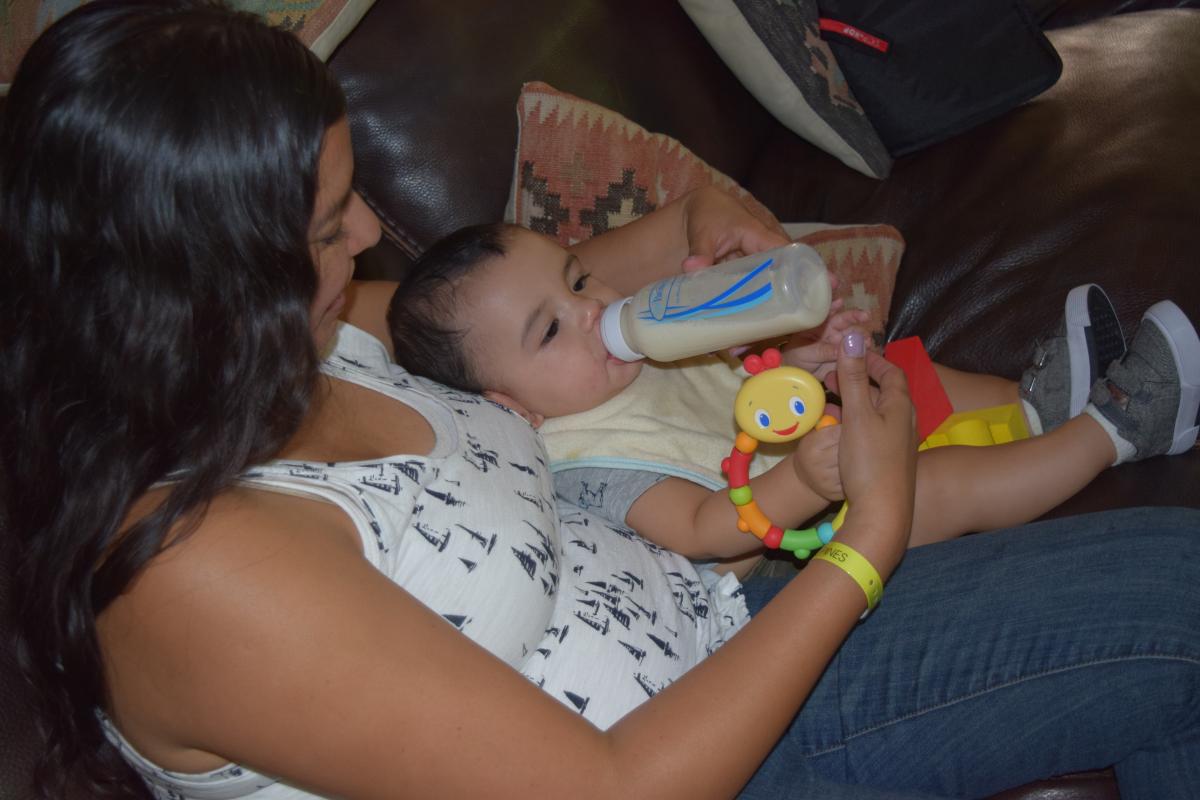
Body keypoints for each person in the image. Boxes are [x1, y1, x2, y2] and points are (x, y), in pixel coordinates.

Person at [3, 3, 1200, 800]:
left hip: (727, 615)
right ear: (199, 288)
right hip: (693, 756)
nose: (368, 232)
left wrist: (694, 228)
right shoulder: (191, 573)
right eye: (327, 226)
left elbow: (525, 307)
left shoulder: (316, 342)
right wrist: (867, 536)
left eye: (351, 193)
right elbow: (611, 786)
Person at [385, 222, 1200, 574]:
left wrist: (811, 357)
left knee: (895, 368)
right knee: (930, 487)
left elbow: (754, 382)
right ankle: (1119, 427)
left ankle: (1033, 409)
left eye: (577, 278)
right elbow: (702, 529)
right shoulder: (586, 462)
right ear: (513, 407)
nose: (592, 311)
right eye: (551, 329)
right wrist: (807, 481)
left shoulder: (643, 345)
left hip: (819, 446)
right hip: (795, 544)